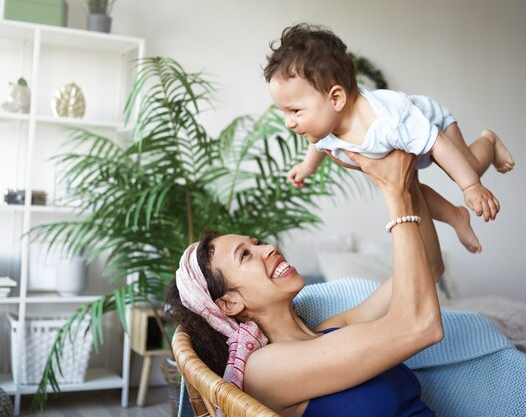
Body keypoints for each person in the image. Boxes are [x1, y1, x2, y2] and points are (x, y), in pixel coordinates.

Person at [166, 149, 444, 417]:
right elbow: (420, 327)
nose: (269, 248)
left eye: (257, 242)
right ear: (229, 303)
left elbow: (429, 268)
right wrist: (393, 193)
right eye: (246, 255)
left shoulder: (328, 332)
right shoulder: (264, 370)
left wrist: (407, 175)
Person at [264, 23, 515, 253]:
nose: (289, 122)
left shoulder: (387, 121)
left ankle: (489, 142)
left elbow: (436, 141)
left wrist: (470, 187)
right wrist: (306, 168)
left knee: (467, 167)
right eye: (284, 112)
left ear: (336, 98)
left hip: (432, 126)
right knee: (408, 189)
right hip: (407, 147)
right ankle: (455, 216)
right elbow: (318, 145)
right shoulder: (324, 126)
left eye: (295, 110)